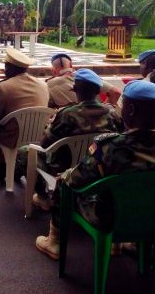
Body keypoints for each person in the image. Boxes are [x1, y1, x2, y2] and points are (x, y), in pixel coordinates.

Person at [35, 80, 155, 261]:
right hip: (150, 216)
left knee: (63, 184)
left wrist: (64, 176)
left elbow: (76, 179)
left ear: (130, 111)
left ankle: (54, 241)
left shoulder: (110, 147)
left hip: (110, 217)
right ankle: (133, 243)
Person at [30, 69, 124, 211]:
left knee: (26, 152)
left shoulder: (67, 114)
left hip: (64, 167)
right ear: (99, 91)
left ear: (75, 89)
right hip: (98, 167)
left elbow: (44, 144)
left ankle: (44, 197)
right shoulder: (112, 114)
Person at [0, 47, 49, 182]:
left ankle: (3, 167)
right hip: (39, 135)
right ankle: (16, 167)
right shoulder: (43, 84)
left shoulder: (4, 87)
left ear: (9, 67)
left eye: (6, 66)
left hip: (13, 137)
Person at [47, 53, 121, 109]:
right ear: (71, 65)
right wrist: (103, 109)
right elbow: (116, 92)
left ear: (53, 71)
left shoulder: (48, 85)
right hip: (97, 121)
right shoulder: (87, 77)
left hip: (71, 124)